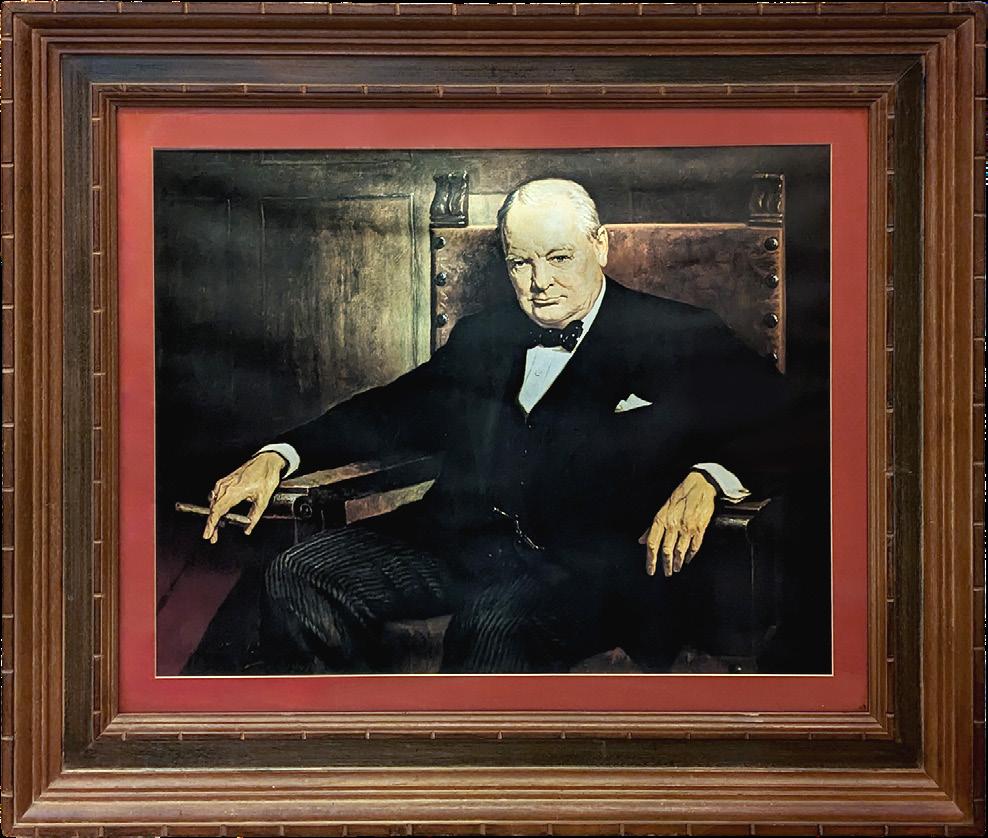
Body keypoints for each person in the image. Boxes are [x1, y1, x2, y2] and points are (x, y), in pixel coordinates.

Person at [201, 178, 791, 674]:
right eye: (520, 262)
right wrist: (280, 454)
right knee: (299, 572)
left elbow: (791, 418)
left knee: (489, 625)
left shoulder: (678, 333)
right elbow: (392, 409)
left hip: (586, 566)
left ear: (600, 246)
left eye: (558, 258)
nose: (539, 282)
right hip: (459, 543)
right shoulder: (483, 336)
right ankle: (367, 742)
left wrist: (711, 478)